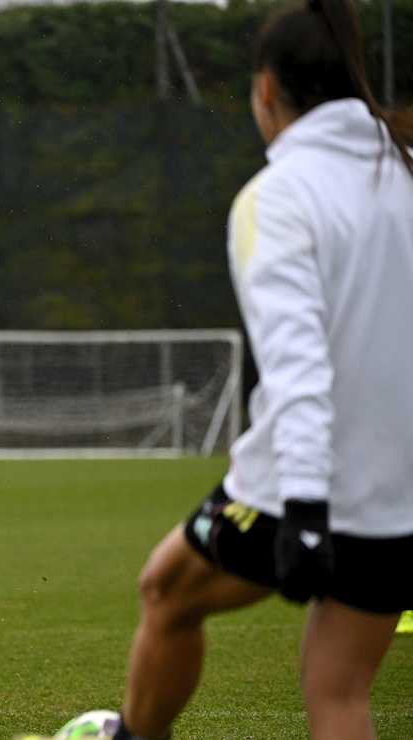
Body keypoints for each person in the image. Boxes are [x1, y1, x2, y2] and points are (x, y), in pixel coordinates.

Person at [99, 1, 413, 738]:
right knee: (339, 694)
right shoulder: (404, 173)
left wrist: (303, 511)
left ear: (266, 91)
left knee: (166, 590)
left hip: (307, 489)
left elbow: (299, 366)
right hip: (400, 498)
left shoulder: (279, 197)